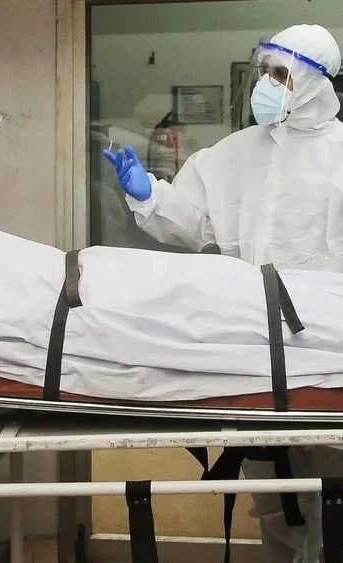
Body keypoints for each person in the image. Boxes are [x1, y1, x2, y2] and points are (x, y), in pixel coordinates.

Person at [104, 23, 343, 563]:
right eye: (265, 72)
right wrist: (148, 195)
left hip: (331, 357)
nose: (267, 84)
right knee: (276, 503)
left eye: (281, 75)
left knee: (335, 499)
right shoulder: (235, 153)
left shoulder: (340, 154)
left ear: (315, 82)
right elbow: (191, 219)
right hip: (256, 355)